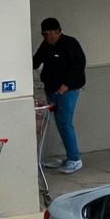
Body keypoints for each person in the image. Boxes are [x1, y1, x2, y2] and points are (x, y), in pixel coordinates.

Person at [32, 16, 86, 173]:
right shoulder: (46, 45)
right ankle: (69, 157)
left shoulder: (70, 43)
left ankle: (75, 159)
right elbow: (35, 61)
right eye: (44, 34)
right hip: (51, 89)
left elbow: (79, 65)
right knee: (59, 123)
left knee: (64, 123)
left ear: (58, 31)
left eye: (50, 33)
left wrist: (66, 85)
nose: (48, 37)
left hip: (67, 90)